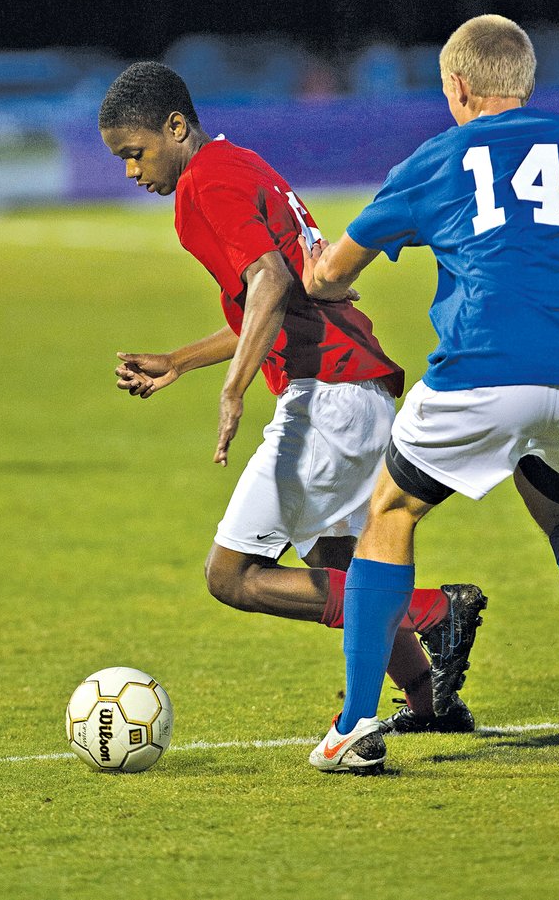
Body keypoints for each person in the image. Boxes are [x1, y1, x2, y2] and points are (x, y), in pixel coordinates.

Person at [302, 14, 559, 774]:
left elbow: (330, 274)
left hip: (484, 369)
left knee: (391, 511)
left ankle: (354, 724)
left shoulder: (438, 158)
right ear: (526, 79)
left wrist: (320, 273)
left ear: (459, 86)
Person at [98, 61, 488, 733]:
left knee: (232, 575)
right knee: (334, 560)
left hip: (329, 396)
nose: (133, 172)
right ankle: (428, 695)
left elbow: (271, 283)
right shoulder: (240, 163)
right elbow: (271, 298)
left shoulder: (201, 186)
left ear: (175, 126)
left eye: (135, 153)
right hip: (356, 388)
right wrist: (181, 362)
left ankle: (432, 610)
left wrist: (232, 389)